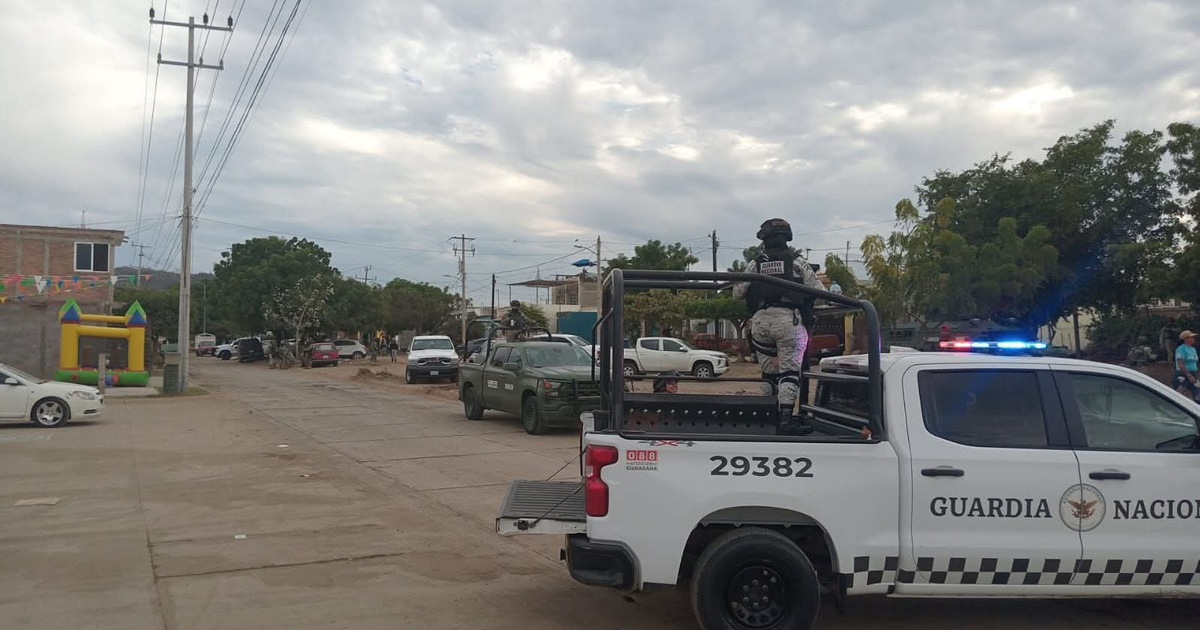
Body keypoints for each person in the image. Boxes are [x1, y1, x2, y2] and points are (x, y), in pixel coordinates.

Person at [733, 218, 825, 434]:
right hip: (788, 321)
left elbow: (737, 293)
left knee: (768, 373)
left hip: (760, 322)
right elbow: (820, 291)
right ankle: (785, 420)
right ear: (788, 237)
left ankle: (768, 416)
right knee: (789, 372)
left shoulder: (754, 264)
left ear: (763, 238)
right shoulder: (798, 263)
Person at [1173, 330, 1199, 400]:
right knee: (1178, 393)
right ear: (1186, 339)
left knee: (1197, 393)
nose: (1194, 338)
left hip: (1193, 374)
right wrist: (1189, 375)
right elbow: (1181, 364)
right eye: (1191, 337)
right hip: (1183, 374)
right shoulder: (1181, 349)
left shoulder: (1193, 349)